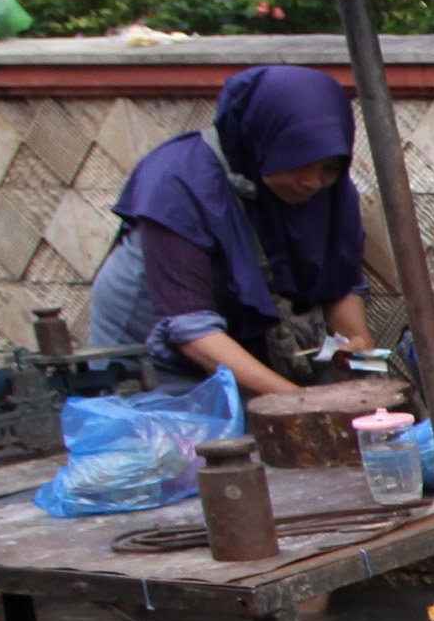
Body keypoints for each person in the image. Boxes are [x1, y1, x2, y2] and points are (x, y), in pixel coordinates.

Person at [84, 66, 376, 398]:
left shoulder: (331, 190)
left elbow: (339, 280)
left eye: (327, 167)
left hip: (250, 346)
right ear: (262, 141)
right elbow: (189, 329)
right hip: (158, 362)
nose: (312, 182)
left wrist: (357, 343)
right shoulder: (177, 183)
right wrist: (301, 403)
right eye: (295, 161)